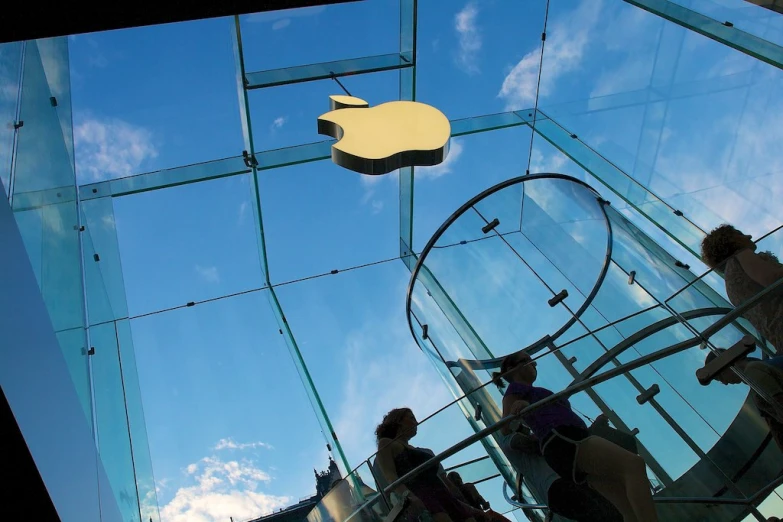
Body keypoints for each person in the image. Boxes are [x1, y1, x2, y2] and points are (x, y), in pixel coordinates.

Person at [493, 351, 658, 522]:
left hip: (566, 442)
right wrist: (521, 407)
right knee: (633, 465)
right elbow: (505, 427)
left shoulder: (529, 391)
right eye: (527, 360)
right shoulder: (515, 390)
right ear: (513, 369)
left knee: (624, 505)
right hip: (566, 439)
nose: (534, 364)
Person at [375, 408, 506, 522]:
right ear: (398, 420)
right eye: (411, 418)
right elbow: (390, 476)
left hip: (444, 495)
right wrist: (408, 496)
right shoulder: (386, 443)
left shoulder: (417, 449)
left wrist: (471, 508)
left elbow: (438, 481)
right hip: (423, 495)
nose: (416, 422)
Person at [498, 422, 623, 522]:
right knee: (603, 513)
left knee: (606, 512)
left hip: (563, 483)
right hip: (555, 487)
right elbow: (531, 445)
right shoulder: (507, 440)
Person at [701, 224, 783, 354]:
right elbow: (773, 279)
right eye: (739, 234)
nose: (748, 236)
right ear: (729, 241)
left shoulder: (730, 285)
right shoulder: (740, 257)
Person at [704, 349, 783, 450]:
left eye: (720, 378)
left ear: (724, 366)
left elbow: (780, 404)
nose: (725, 383)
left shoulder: (752, 371)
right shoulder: (757, 369)